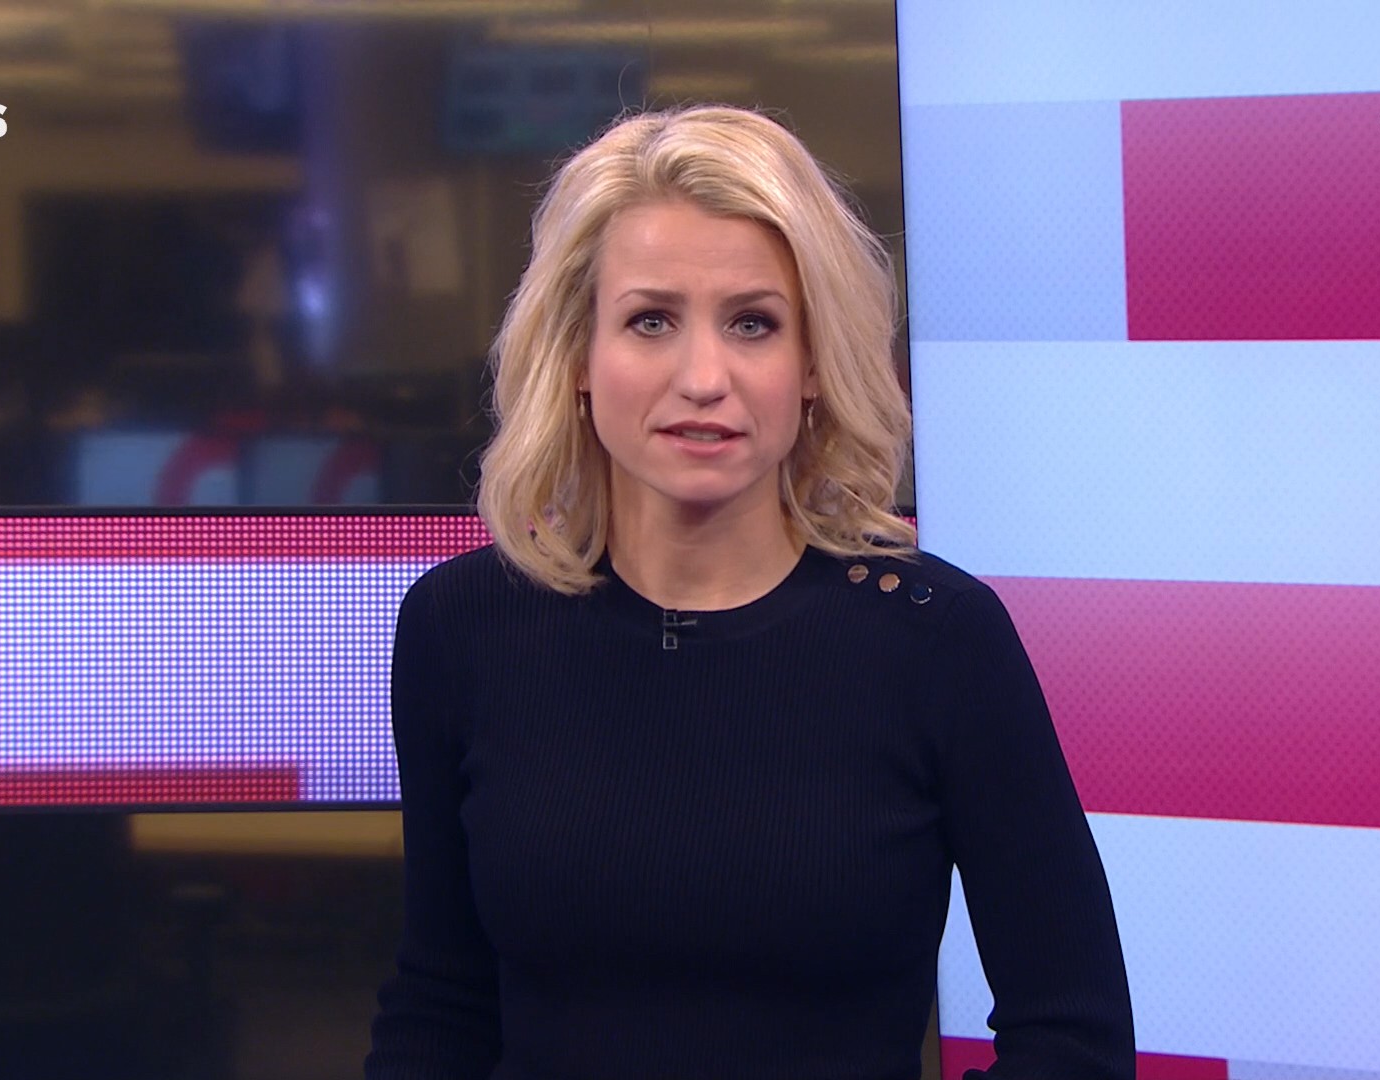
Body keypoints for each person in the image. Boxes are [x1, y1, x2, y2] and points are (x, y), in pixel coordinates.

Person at [365, 104, 1133, 1080]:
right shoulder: (462, 627)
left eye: (753, 324)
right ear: (577, 359)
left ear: (812, 365)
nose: (703, 377)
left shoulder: (937, 639)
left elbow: (1074, 1036)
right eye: (651, 320)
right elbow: (442, 1004)